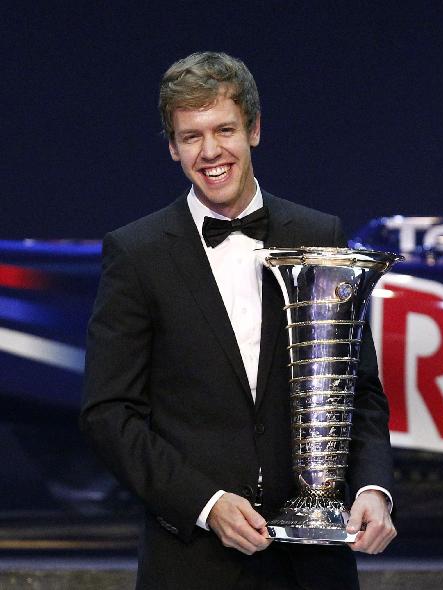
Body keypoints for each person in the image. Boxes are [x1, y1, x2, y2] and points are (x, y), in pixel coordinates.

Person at [79, 51, 396, 590]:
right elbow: (109, 414)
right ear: (173, 148)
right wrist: (205, 504)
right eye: (191, 136)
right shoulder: (136, 254)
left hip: (313, 567)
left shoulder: (318, 232)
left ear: (254, 129)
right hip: (192, 560)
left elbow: (358, 391)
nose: (210, 152)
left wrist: (370, 488)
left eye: (224, 129)